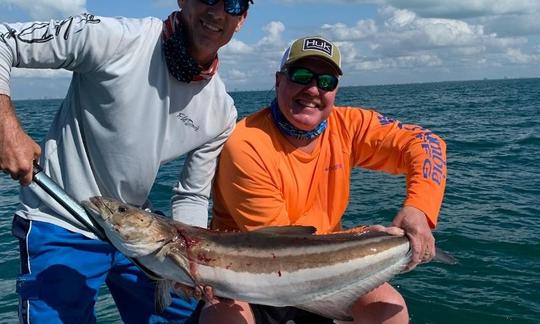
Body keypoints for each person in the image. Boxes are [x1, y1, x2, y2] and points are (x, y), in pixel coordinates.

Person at [0, 0, 253, 323]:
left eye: (233, 3)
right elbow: (3, 39)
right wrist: (6, 128)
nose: (217, 12)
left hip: (139, 231)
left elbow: (191, 194)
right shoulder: (113, 38)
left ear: (242, 18)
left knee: (195, 316)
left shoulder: (221, 111)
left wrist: (189, 263)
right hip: (60, 217)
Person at [206, 36, 447, 323]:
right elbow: (284, 249)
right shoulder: (246, 144)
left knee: (388, 309)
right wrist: (364, 239)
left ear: (335, 90)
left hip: (326, 269)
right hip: (246, 272)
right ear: (278, 80)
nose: (312, 90)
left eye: (326, 82)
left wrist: (419, 208)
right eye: (301, 76)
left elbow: (426, 142)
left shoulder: (349, 126)